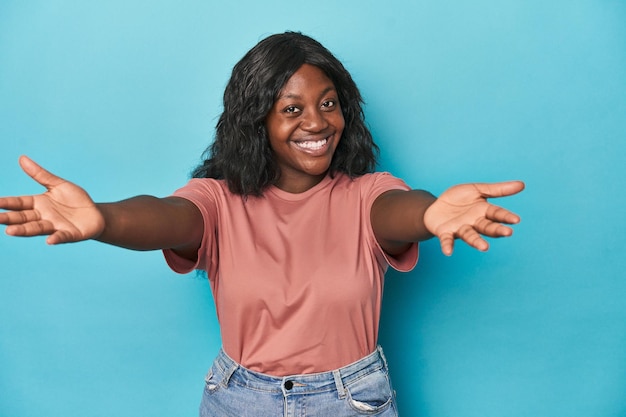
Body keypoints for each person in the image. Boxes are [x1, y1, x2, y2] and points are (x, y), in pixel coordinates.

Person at [0, 32, 524, 416]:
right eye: (291, 109)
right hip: (238, 400)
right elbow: (165, 218)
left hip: (350, 402)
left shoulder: (367, 195)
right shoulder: (218, 201)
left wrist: (431, 214)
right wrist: (105, 219)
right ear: (257, 121)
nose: (317, 123)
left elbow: (400, 210)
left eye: (328, 104)